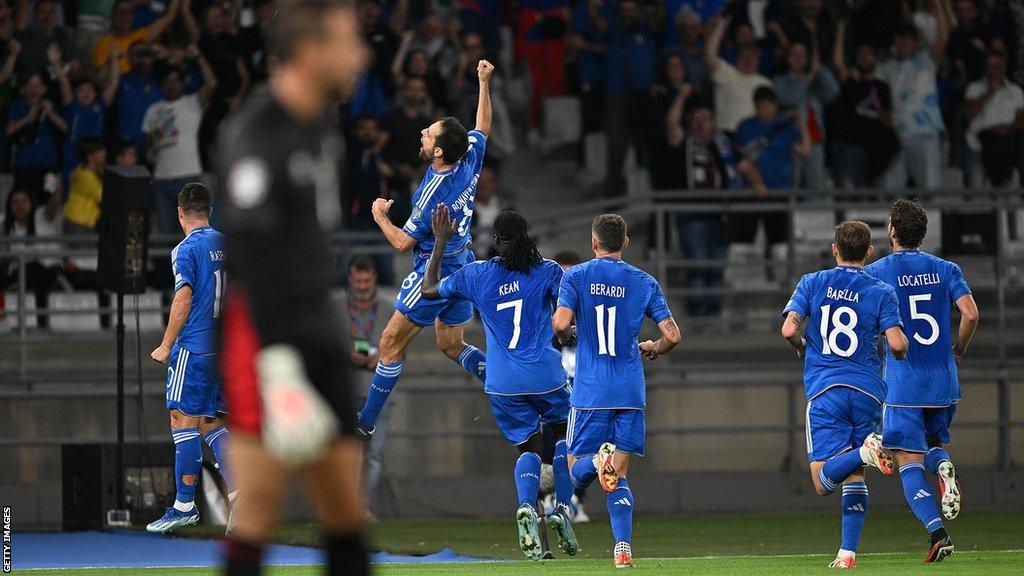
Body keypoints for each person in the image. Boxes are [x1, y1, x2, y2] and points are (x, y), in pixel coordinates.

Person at [216, 1, 371, 573]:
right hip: (263, 334)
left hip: (318, 325)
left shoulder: (324, 131)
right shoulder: (255, 135)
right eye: (349, 41)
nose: (361, 54)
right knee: (257, 509)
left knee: (346, 510)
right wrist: (277, 365)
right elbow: (250, 254)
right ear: (310, 51)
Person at [421, 205, 579, 559]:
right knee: (568, 438)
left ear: (494, 240)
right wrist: (569, 334)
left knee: (529, 449)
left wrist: (441, 243)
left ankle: (526, 506)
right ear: (526, 237)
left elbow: (429, 289)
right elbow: (563, 321)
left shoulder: (477, 275)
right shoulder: (549, 271)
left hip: (502, 383)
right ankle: (563, 510)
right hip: (545, 376)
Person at [354, 58, 495, 439]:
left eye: (428, 134)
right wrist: (483, 82)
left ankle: (364, 423)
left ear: (437, 153)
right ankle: (501, 379)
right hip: (463, 264)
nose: (422, 133)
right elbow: (482, 127)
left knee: (388, 344)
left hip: (434, 273)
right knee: (451, 344)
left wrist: (380, 216)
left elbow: (403, 243)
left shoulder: (432, 190)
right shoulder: (468, 157)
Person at [552, 214, 682, 568]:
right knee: (619, 475)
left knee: (577, 463)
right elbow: (672, 335)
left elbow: (562, 323)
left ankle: (597, 461)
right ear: (625, 243)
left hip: (591, 391)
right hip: (629, 392)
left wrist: (567, 337)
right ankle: (622, 548)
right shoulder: (644, 281)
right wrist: (654, 347)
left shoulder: (576, 276)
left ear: (594, 243)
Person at [780, 220, 909, 569]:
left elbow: (789, 327)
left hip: (827, 388)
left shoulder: (814, 282)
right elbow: (897, 343)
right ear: (869, 252)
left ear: (835, 249)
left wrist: (802, 346)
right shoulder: (881, 291)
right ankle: (847, 553)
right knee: (854, 475)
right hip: (867, 391)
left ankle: (866, 453)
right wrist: (901, 350)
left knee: (823, 481)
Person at [866, 199, 979, 563]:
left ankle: (937, 534)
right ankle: (942, 465)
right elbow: (971, 314)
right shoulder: (946, 268)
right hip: (944, 381)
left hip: (903, 384)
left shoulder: (878, 271)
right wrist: (958, 347)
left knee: (907, 461)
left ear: (893, 232)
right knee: (933, 446)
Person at [146, 182, 233, 534]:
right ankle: (240, 498)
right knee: (214, 424)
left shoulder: (185, 248)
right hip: (224, 349)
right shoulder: (229, 243)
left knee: (182, 419)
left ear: (180, 214)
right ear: (209, 211)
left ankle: (184, 503)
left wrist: (166, 344)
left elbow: (183, 298)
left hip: (194, 347)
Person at [335, 256, 393, 513]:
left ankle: (361, 508)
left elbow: (401, 348)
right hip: (343, 388)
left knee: (373, 453)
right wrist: (345, 354)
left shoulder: (389, 309)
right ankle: (342, 507)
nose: (361, 285)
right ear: (350, 278)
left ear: (374, 279)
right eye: (357, 280)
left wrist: (384, 355)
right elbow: (321, 344)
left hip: (377, 391)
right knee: (342, 451)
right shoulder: (335, 307)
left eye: (366, 280)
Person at [143, 44, 218, 234]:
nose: (172, 85)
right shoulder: (154, 109)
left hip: (188, 175)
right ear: (161, 86)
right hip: (161, 178)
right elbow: (148, 143)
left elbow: (211, 84)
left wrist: (199, 57)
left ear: (182, 83)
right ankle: (167, 266)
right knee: (166, 232)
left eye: (176, 81)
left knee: (192, 232)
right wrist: (150, 151)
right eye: (167, 82)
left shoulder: (192, 103)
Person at [877, 0, 949, 190]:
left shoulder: (926, 61)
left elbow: (943, 37)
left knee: (930, 189)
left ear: (916, 43)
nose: (905, 42)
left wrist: (939, 5)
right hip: (896, 137)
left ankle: (933, 221)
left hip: (924, 132)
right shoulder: (886, 68)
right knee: (890, 192)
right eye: (901, 38)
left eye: (910, 39)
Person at [963, 49, 1024, 188]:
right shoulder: (974, 87)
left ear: (1004, 67)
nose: (993, 70)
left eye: (997, 66)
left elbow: (1021, 120)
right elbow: (969, 114)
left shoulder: (1015, 91)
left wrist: (1007, 128)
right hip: (976, 145)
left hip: (1003, 144)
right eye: (990, 66)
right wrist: (990, 93)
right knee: (976, 193)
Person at [63, 138, 106, 234]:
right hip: (78, 220)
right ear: (90, 157)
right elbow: (102, 196)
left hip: (85, 220)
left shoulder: (89, 171)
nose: (104, 153)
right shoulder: (85, 176)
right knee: (82, 249)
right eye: (99, 151)